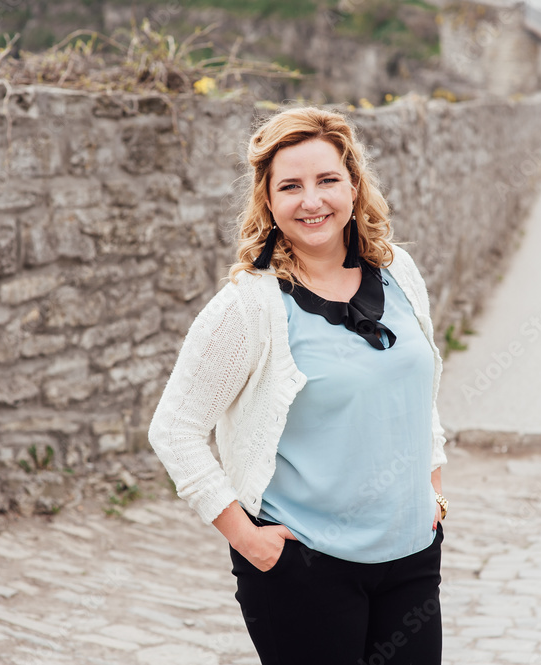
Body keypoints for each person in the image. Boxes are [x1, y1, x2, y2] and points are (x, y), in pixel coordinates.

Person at [148, 106, 449, 665]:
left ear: (354, 186)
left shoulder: (400, 272)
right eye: (290, 186)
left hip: (410, 558)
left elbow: (416, 390)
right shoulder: (249, 307)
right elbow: (174, 429)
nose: (312, 201)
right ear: (267, 201)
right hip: (304, 569)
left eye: (327, 180)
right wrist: (248, 540)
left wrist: (431, 488)